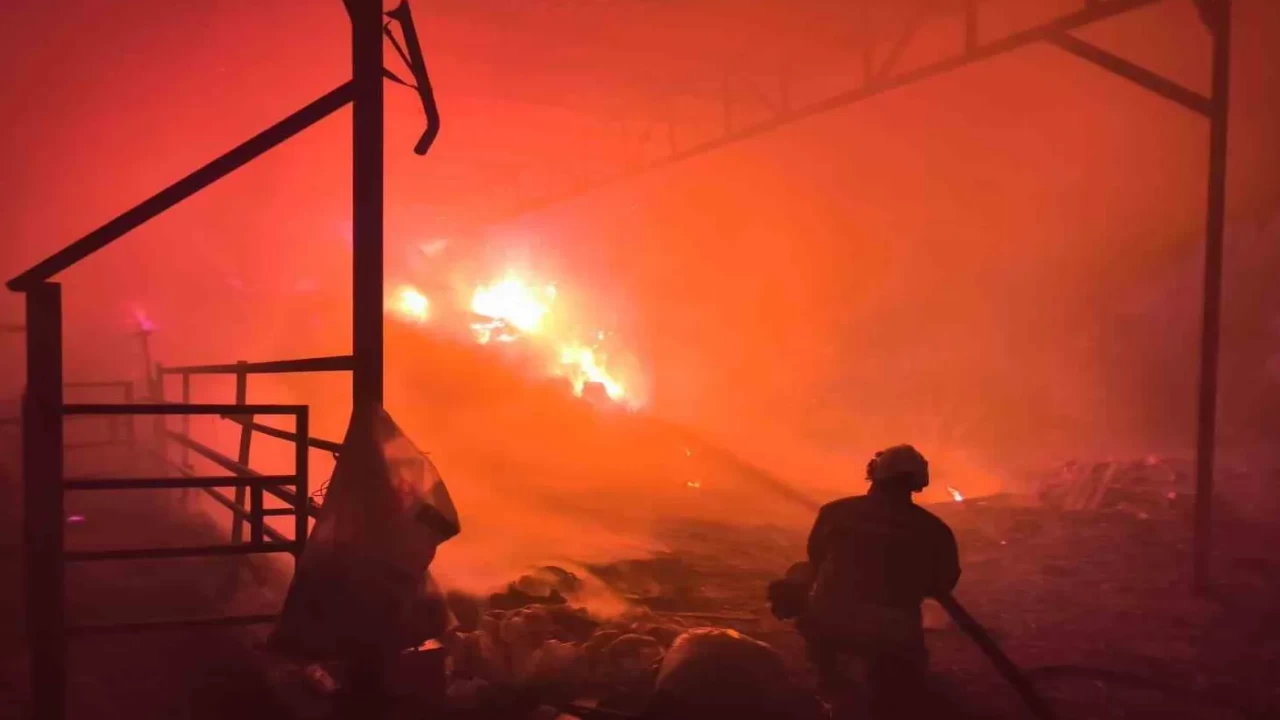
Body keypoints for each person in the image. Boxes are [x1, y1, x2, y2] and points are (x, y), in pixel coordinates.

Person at [799, 444, 961, 716]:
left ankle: (829, 690)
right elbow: (944, 581)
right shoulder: (933, 529)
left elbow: (816, 557)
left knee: (831, 689)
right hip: (894, 632)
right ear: (918, 482)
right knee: (899, 698)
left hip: (830, 623)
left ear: (874, 474)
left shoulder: (835, 512)